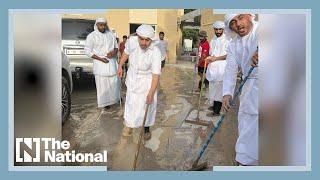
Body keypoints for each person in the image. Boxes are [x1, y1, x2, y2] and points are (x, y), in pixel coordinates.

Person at [222, 14, 259, 165]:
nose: (237, 24)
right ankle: (245, 161)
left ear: (250, 16)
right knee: (246, 122)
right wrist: (227, 93)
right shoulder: (233, 44)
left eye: (241, 18)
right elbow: (230, 69)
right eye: (233, 23)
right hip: (248, 86)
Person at [117, 25, 162, 141]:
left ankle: (146, 128)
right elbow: (126, 53)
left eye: (147, 40)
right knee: (131, 103)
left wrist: (151, 92)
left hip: (147, 80)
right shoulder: (132, 42)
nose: (143, 42)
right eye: (141, 39)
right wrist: (120, 66)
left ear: (151, 40)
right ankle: (129, 125)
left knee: (147, 105)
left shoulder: (156, 52)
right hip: (133, 76)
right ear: (137, 37)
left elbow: (156, 74)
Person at [84, 18, 119, 109]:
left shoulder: (111, 35)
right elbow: (87, 51)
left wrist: (114, 52)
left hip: (111, 63)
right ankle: (105, 103)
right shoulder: (92, 36)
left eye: (104, 25)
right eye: (100, 25)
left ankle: (115, 99)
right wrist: (101, 59)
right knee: (102, 84)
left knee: (114, 82)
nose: (103, 27)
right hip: (100, 64)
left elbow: (116, 47)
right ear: (97, 25)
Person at [205, 21, 230, 116]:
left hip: (221, 68)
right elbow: (212, 53)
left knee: (219, 89)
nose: (218, 31)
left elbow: (229, 55)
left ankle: (216, 111)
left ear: (223, 29)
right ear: (214, 29)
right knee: (213, 88)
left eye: (220, 29)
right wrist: (209, 58)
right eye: (216, 29)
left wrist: (216, 58)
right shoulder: (213, 39)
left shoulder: (227, 40)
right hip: (213, 67)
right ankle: (214, 105)